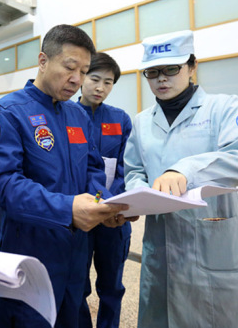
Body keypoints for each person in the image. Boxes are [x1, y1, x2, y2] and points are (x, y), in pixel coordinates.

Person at [0, 24, 128, 328]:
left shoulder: (77, 116)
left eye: (84, 71)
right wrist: (67, 209)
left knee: (71, 316)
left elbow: (93, 169)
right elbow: (4, 185)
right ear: (43, 61)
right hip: (30, 248)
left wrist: (102, 205)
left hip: (75, 250)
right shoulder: (9, 112)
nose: (77, 79)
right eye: (69, 67)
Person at [123, 30, 238, 327]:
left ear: (192, 67)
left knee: (224, 314)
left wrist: (185, 170)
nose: (161, 79)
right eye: (152, 72)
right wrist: (138, 196)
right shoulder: (141, 122)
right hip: (162, 241)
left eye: (171, 69)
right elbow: (134, 171)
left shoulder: (223, 107)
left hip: (214, 236)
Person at [77, 52, 135, 328]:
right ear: (82, 77)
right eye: (95, 79)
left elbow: (128, 166)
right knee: (77, 284)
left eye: (108, 83)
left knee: (112, 285)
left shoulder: (121, 119)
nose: (100, 88)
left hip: (114, 216)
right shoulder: (68, 115)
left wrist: (112, 203)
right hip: (81, 215)